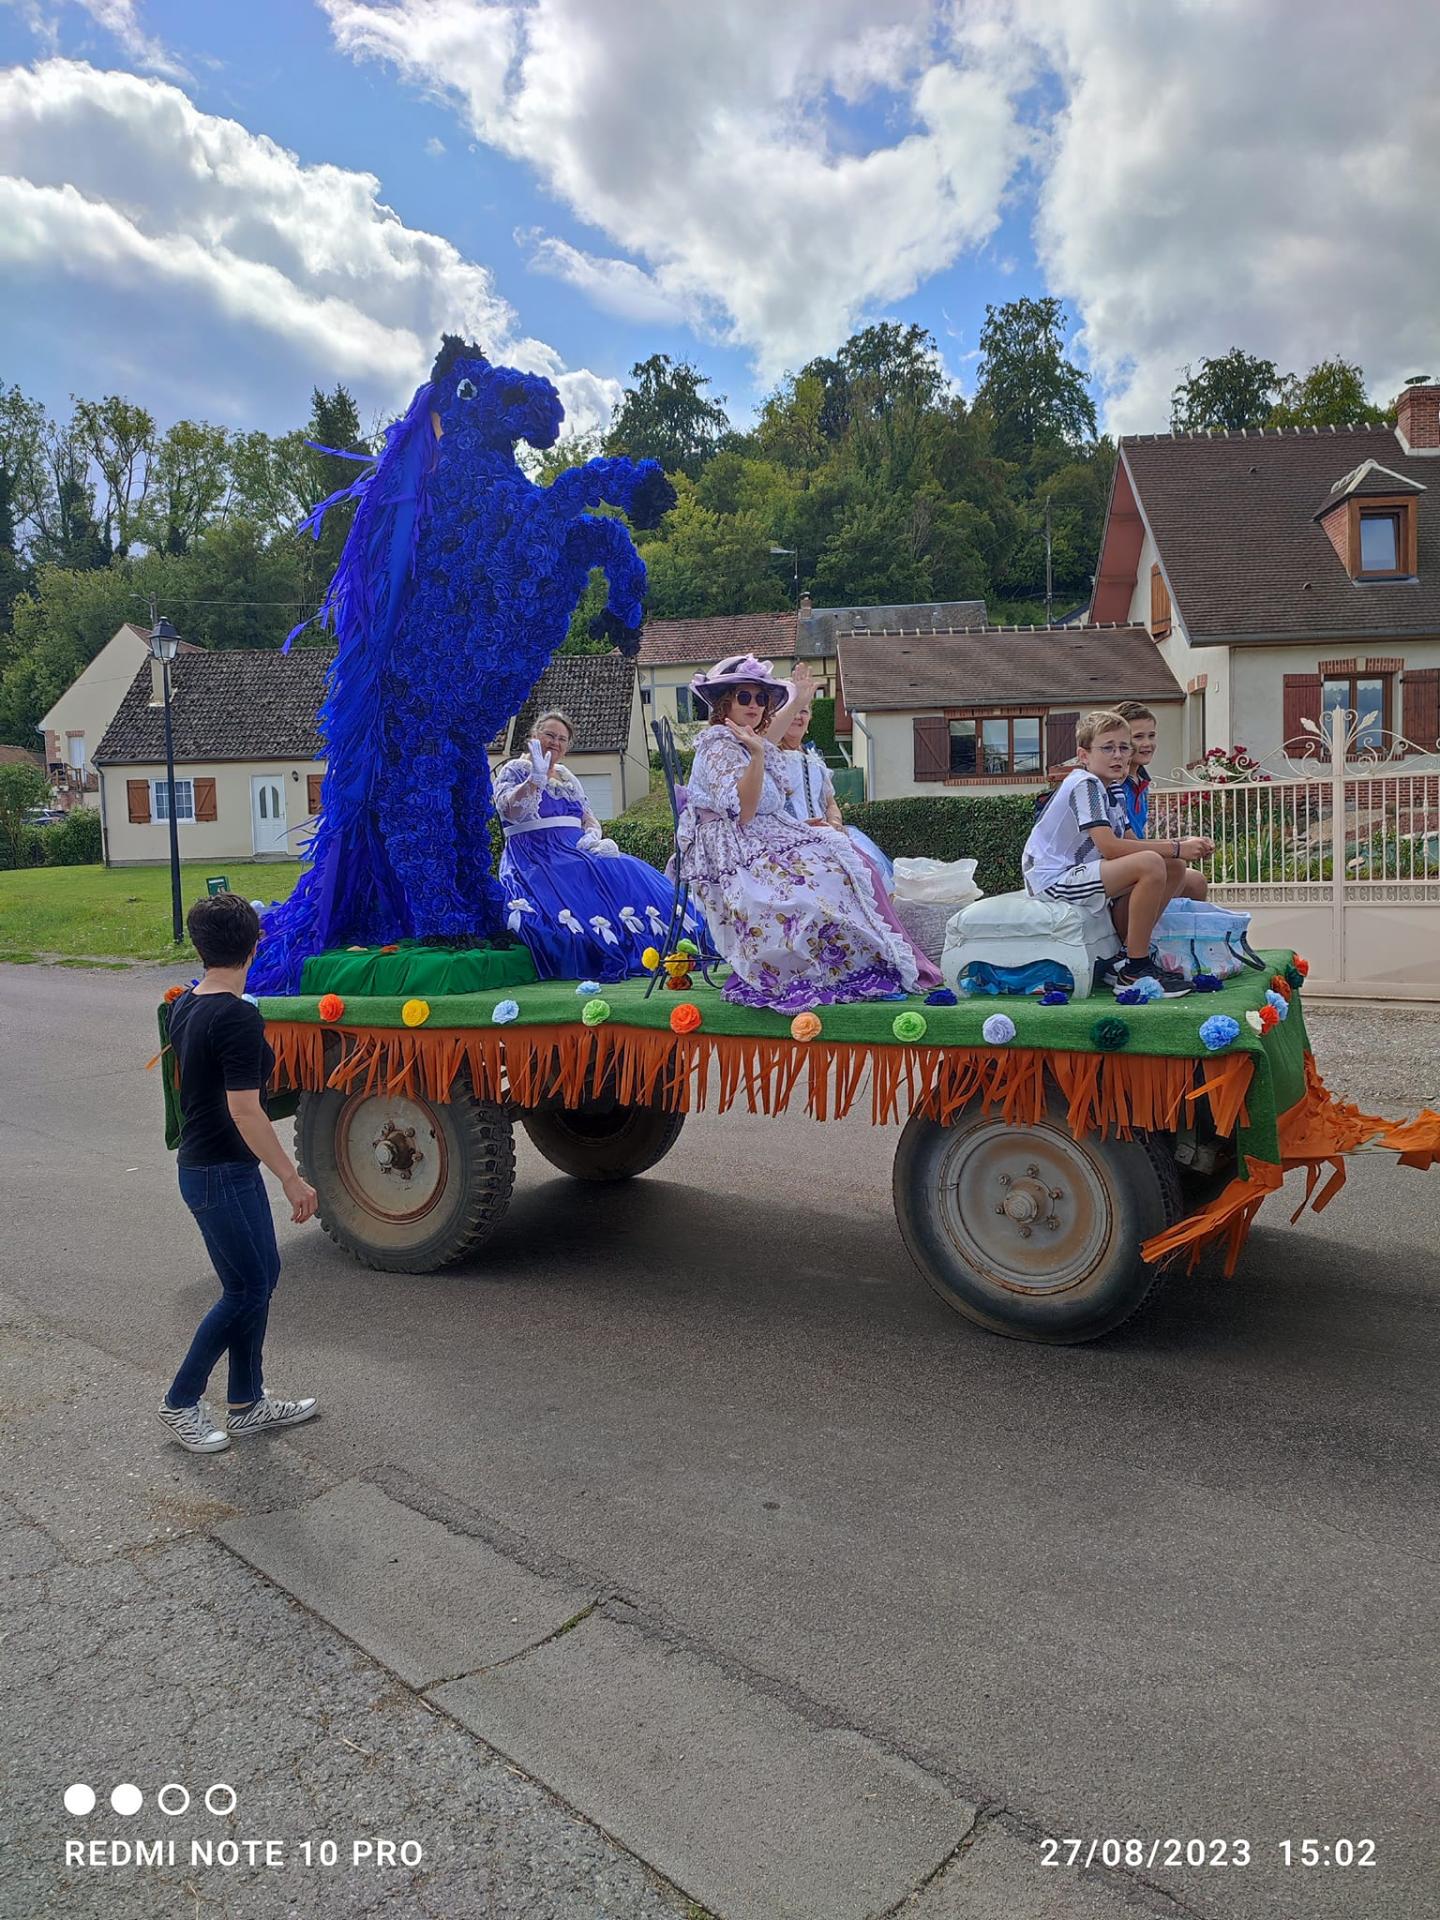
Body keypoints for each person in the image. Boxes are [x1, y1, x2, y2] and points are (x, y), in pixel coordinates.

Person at [158, 894, 318, 1454]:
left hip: (218, 1168)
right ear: (255, 947)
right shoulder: (238, 1016)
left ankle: (247, 1402)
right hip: (218, 1172)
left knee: (259, 1279)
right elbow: (245, 1110)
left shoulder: (188, 1002)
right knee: (246, 1289)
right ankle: (180, 1401)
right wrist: (291, 1177)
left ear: (202, 948)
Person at [677, 654, 922, 1011]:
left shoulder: (745, 740)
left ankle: (848, 964)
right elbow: (743, 811)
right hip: (732, 846)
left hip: (763, 837)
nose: (755, 705)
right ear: (724, 701)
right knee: (805, 894)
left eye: (761, 698)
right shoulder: (718, 744)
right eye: (745, 697)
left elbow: (769, 741)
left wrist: (797, 702)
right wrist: (759, 756)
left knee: (839, 865)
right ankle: (802, 969)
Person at [1020, 709, 1212, 997]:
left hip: (1080, 872)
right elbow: (1110, 848)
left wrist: (1180, 846)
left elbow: (1131, 840)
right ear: (1083, 755)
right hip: (1052, 878)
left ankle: (1128, 953)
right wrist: (1177, 847)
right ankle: (1135, 968)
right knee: (1153, 862)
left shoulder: (1113, 788)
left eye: (1124, 748)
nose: (1118, 755)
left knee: (1173, 866)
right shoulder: (1084, 784)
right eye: (1107, 748)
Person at [494, 708, 697, 979]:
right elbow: (510, 810)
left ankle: (673, 939)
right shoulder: (516, 769)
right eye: (549, 735)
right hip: (537, 855)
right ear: (534, 736)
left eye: (562, 739)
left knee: (625, 866)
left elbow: (587, 818)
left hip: (575, 848)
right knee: (583, 875)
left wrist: (592, 837)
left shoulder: (567, 777)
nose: (555, 742)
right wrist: (535, 781)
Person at [774, 689, 940, 991]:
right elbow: (768, 809)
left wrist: (835, 823)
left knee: (871, 874)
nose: (799, 716)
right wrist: (801, 826)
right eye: (792, 709)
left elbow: (830, 801)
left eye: (805, 710)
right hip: (793, 841)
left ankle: (886, 955)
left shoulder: (813, 758)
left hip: (828, 834)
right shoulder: (771, 758)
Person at [1113, 699, 1208, 901]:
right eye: (1138, 737)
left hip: (1134, 856)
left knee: (1196, 882)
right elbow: (1123, 843)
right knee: (1175, 867)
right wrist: (1177, 848)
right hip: (1116, 863)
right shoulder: (1115, 783)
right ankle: (1138, 929)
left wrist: (1183, 843)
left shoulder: (1141, 781)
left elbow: (1137, 841)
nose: (1147, 744)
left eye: (1151, 735)